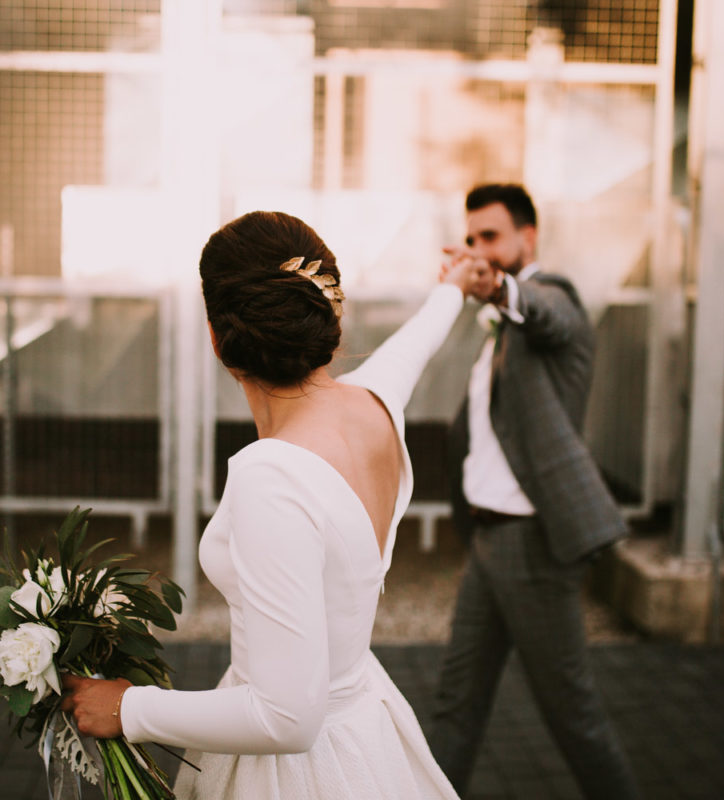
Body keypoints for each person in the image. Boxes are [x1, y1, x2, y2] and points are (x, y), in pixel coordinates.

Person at [63, 210, 473, 799]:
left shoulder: (272, 477)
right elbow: (416, 344)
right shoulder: (374, 405)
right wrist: (452, 290)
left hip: (297, 773)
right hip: (363, 730)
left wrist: (130, 708)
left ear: (215, 337)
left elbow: (287, 717)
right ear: (331, 312)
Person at [429, 183, 640, 799]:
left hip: (532, 541)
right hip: (490, 540)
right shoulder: (499, 330)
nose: (479, 249)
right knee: (455, 703)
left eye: (490, 236)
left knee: (571, 714)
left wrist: (495, 286)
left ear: (529, 236)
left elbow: (548, 311)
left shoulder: (551, 300)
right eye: (471, 239)